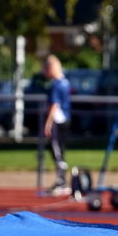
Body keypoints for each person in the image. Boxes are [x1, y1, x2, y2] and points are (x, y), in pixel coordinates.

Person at [42, 54, 72, 194]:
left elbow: (54, 105)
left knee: (57, 151)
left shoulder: (56, 84)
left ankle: (61, 181)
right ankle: (62, 180)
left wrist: (48, 123)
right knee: (60, 150)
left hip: (58, 120)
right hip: (65, 119)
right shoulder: (65, 82)